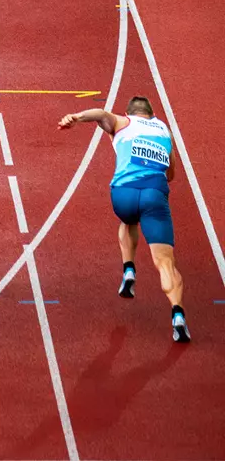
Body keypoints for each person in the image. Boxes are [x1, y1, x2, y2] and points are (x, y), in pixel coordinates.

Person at [59, 96, 189, 343]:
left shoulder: (123, 122)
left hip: (123, 195)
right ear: (151, 115)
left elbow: (100, 114)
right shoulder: (164, 131)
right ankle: (178, 316)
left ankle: (129, 269)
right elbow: (171, 174)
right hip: (154, 195)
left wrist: (75, 117)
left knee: (128, 221)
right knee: (165, 262)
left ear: (130, 113)